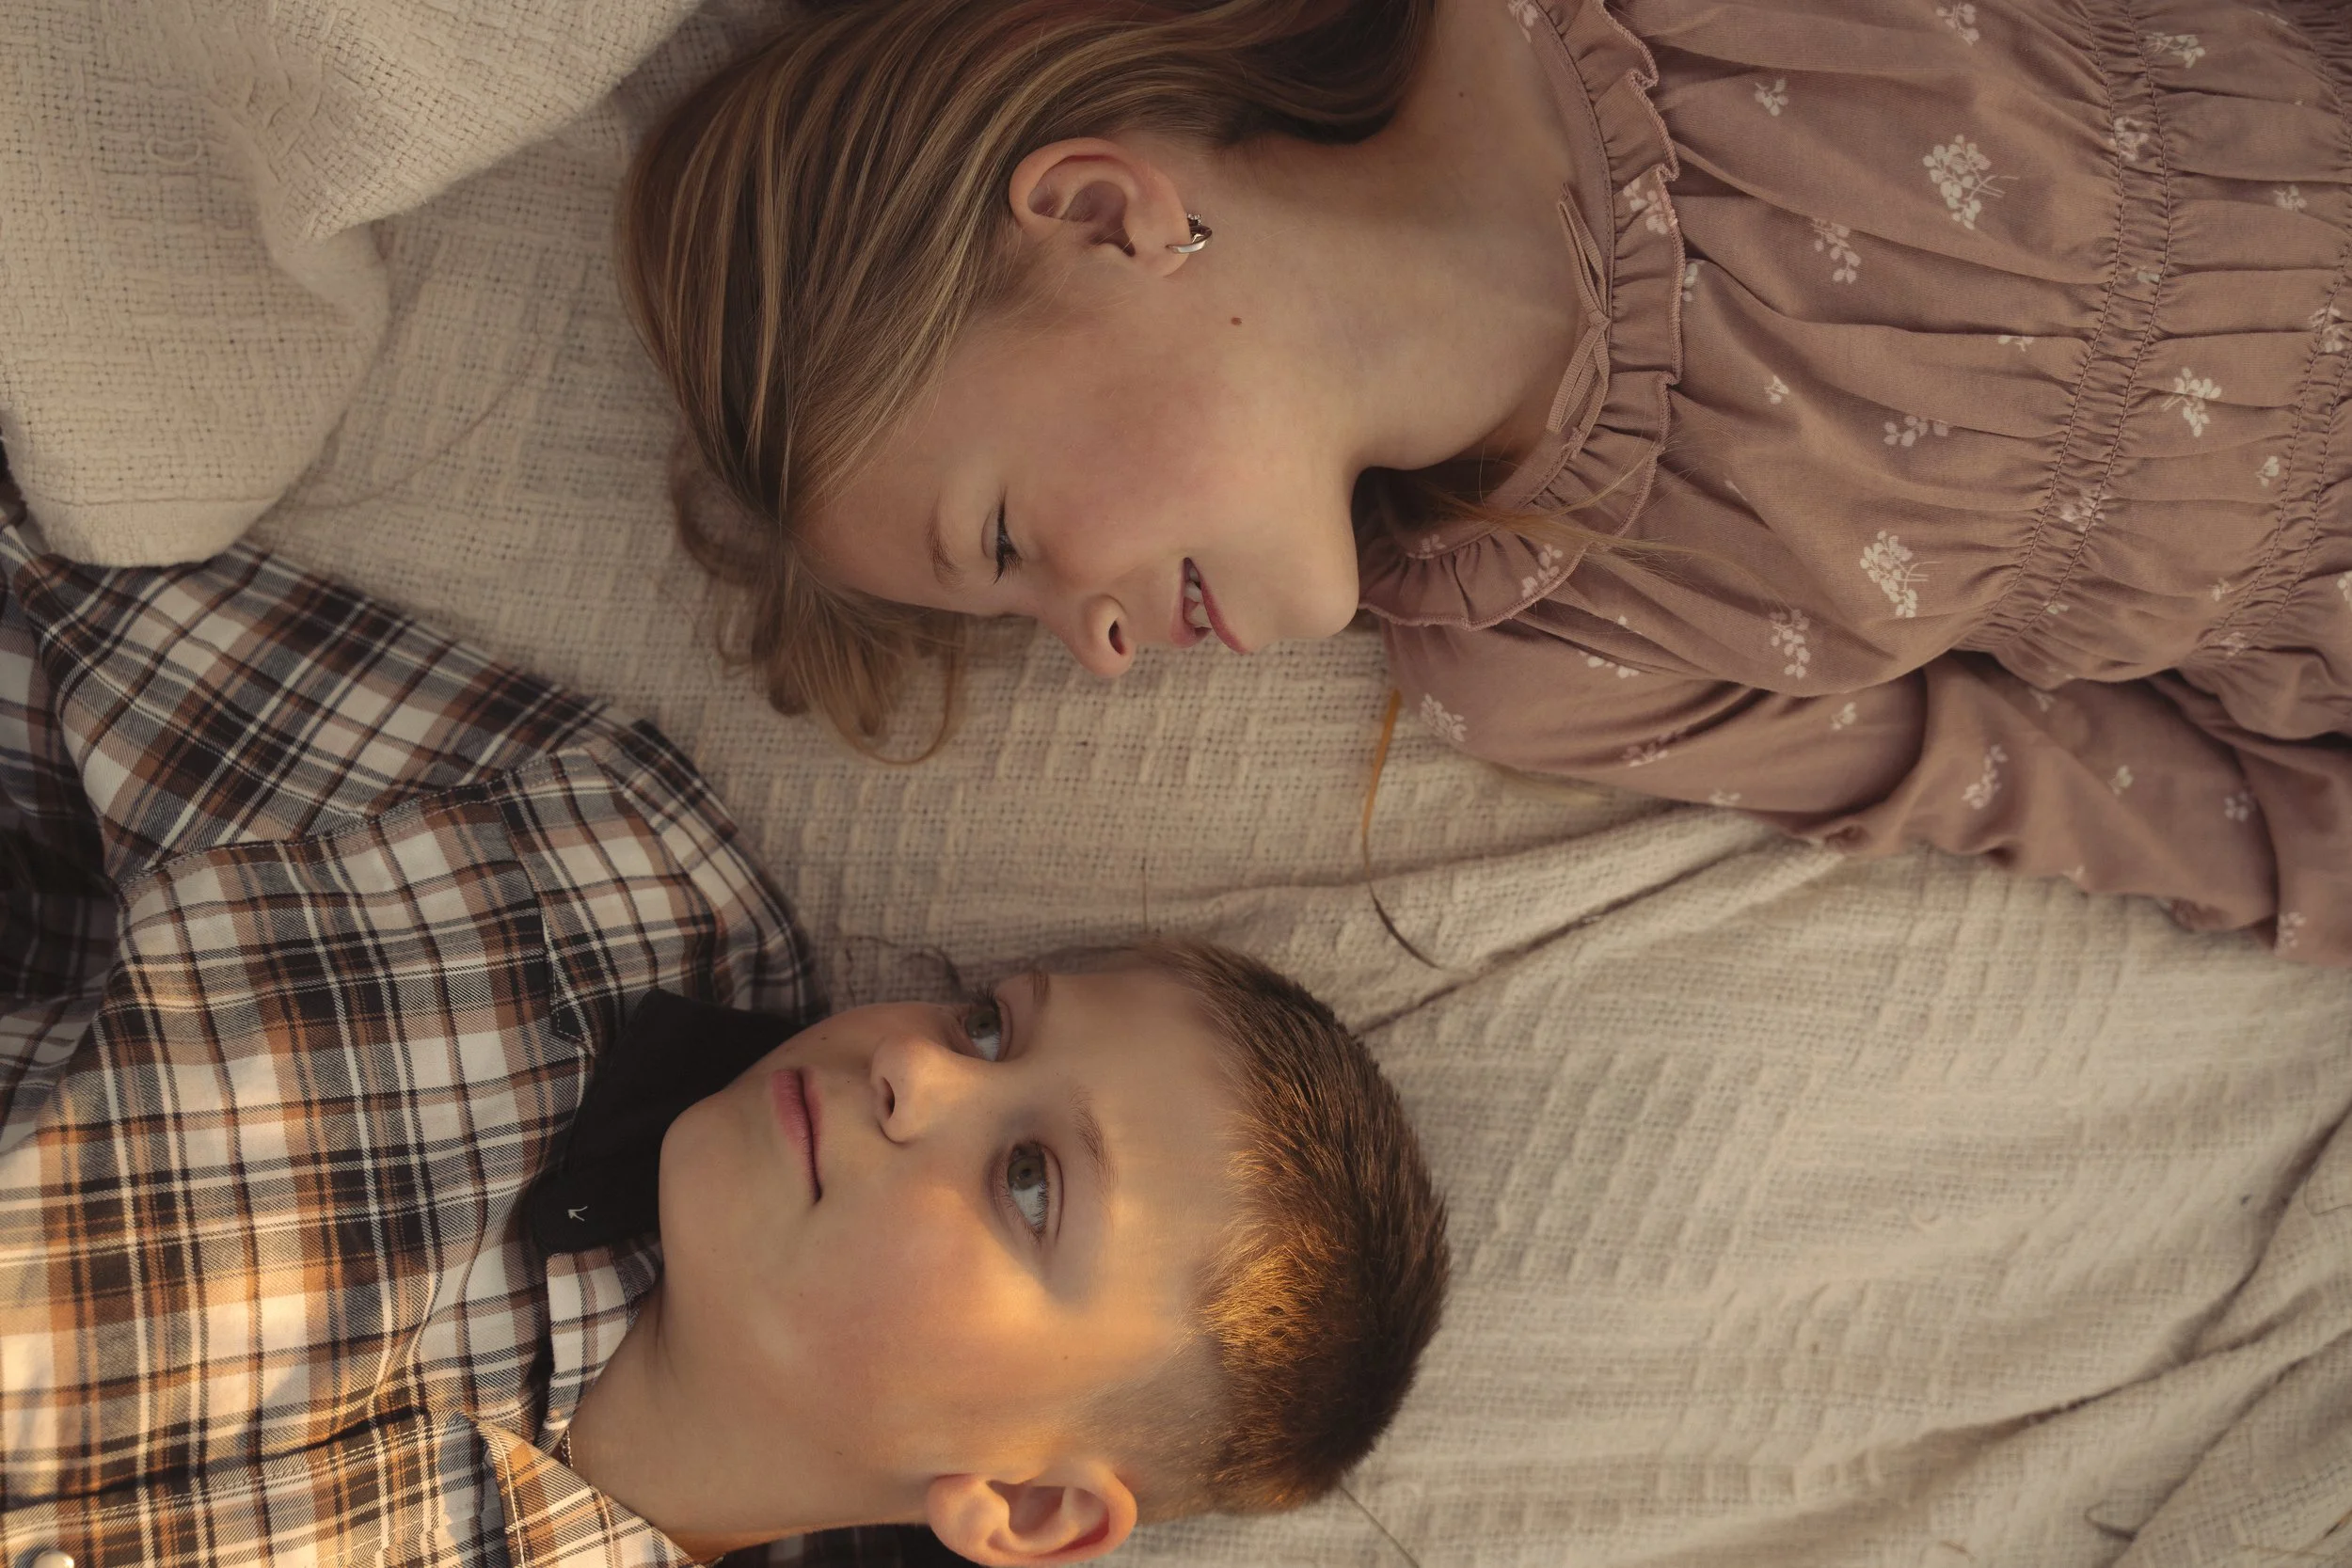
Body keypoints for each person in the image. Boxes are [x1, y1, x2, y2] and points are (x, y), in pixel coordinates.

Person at [616, 0, 2352, 968]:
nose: (1095, 653)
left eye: (1005, 543)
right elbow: (2016, 778)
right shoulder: (1546, 650)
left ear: (1097, 214)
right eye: (1021, 617)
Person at [0, 504, 1450, 1567]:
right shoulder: (610, 873)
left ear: (1027, 1504)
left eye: (1029, 1182)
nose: (918, 1065)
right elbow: (51, 610)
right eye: (991, 1019)